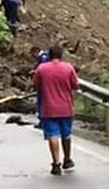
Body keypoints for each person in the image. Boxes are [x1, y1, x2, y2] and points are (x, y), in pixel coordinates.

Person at [32, 46, 79, 176]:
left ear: (49, 56)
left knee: (53, 135)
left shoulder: (41, 69)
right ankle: (67, 159)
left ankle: (56, 163)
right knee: (66, 134)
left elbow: (35, 85)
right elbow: (75, 85)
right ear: (61, 55)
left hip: (48, 107)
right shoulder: (68, 68)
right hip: (66, 107)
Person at [33, 48, 50, 129]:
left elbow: (39, 71)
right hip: (51, 84)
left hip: (42, 84)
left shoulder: (42, 56)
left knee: (41, 102)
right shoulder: (49, 55)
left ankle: (42, 121)